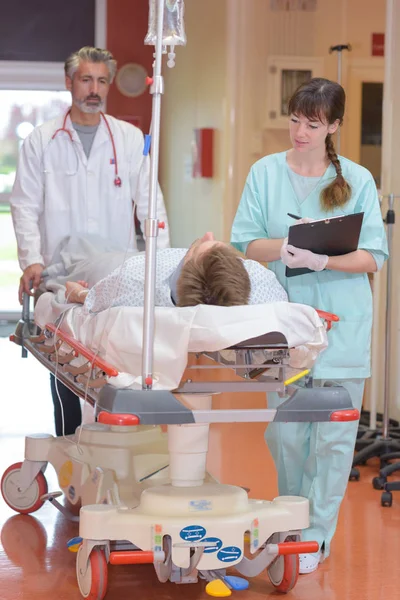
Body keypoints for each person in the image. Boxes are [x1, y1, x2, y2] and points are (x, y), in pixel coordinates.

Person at [230, 77, 388, 574]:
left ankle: (317, 535)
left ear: (333, 126)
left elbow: (374, 256)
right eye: (295, 119)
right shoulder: (264, 173)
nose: (300, 131)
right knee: (287, 434)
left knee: (335, 440)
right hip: (285, 325)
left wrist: (324, 261)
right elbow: (244, 244)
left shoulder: (357, 179)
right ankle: (291, 518)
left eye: (312, 123)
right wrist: (283, 249)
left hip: (343, 323)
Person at [10, 46, 170, 437]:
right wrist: (31, 259)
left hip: (112, 273)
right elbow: (24, 204)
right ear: (69, 83)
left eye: (101, 80)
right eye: (86, 79)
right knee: (65, 365)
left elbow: (153, 206)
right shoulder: (42, 140)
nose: (93, 89)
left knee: (111, 371)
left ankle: (109, 454)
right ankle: (69, 451)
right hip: (61, 274)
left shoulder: (130, 139)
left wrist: (160, 266)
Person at [64, 232, 288, 309]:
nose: (208, 234)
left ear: (186, 261)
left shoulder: (135, 277)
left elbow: (94, 299)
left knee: (73, 258)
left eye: (204, 244)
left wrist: (76, 292)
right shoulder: (263, 283)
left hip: (111, 264)